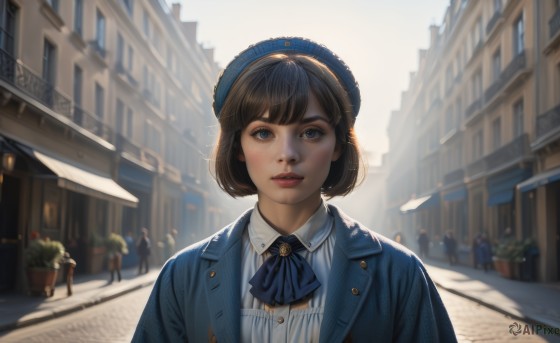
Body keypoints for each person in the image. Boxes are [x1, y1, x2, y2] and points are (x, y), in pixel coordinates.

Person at [133, 37, 456, 342]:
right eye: (263, 133)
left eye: (311, 132)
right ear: (238, 147)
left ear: (338, 146)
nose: (287, 153)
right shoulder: (182, 275)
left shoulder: (400, 273)